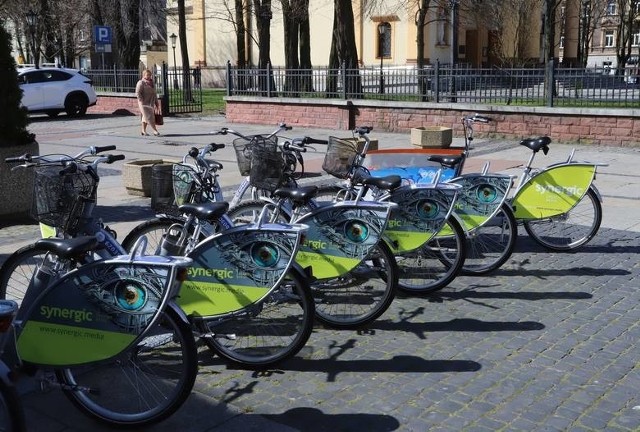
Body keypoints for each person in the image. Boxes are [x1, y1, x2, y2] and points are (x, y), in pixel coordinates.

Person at [135, 69, 160, 136]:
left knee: (145, 117)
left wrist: (156, 103)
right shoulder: (141, 82)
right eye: (147, 75)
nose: (149, 76)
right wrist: (141, 100)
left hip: (150, 102)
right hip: (143, 103)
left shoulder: (152, 83)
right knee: (150, 116)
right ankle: (155, 130)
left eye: (150, 75)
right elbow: (137, 92)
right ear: (144, 75)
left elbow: (154, 93)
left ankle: (143, 131)